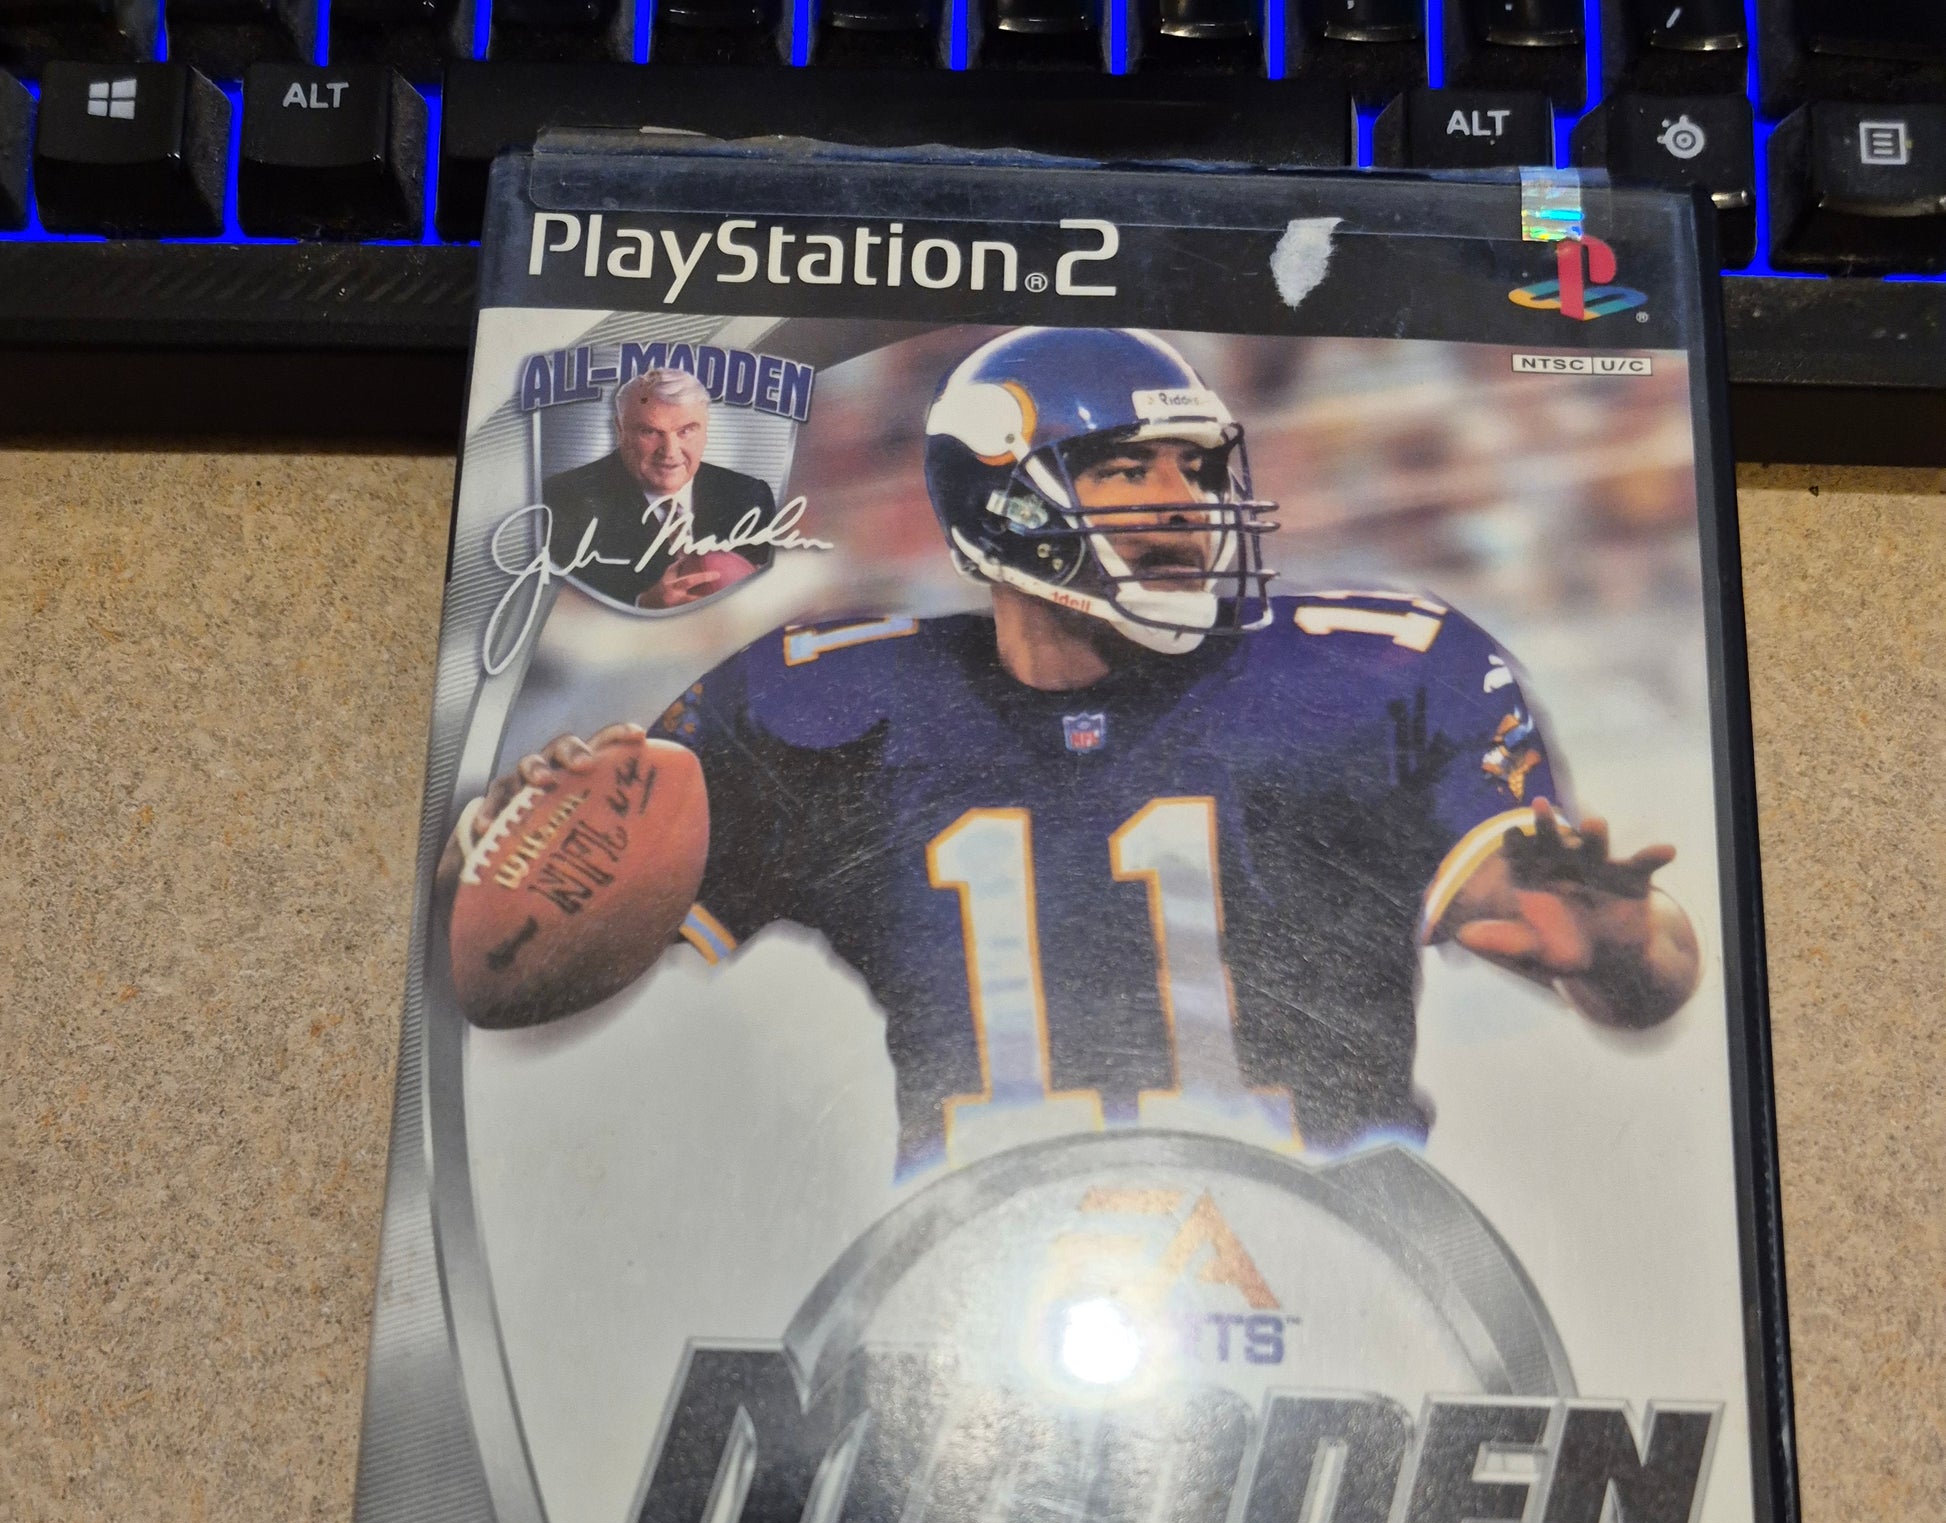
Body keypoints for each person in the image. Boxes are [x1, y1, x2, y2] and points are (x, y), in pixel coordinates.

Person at [470, 325, 1699, 1170]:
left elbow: (1631, 975)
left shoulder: (1373, 671)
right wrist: (502, 855)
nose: (1183, 503)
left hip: (1347, 1262)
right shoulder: (819, 698)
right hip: (964, 1264)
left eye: (1195, 468)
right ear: (1000, 497)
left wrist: (1619, 942)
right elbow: (523, 970)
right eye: (1123, 468)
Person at [540, 366, 777, 611]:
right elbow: (552, 610)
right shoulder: (561, 500)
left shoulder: (749, 495)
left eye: (686, 431)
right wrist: (642, 605)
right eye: (650, 432)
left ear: (705, 430)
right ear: (620, 430)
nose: (670, 452)